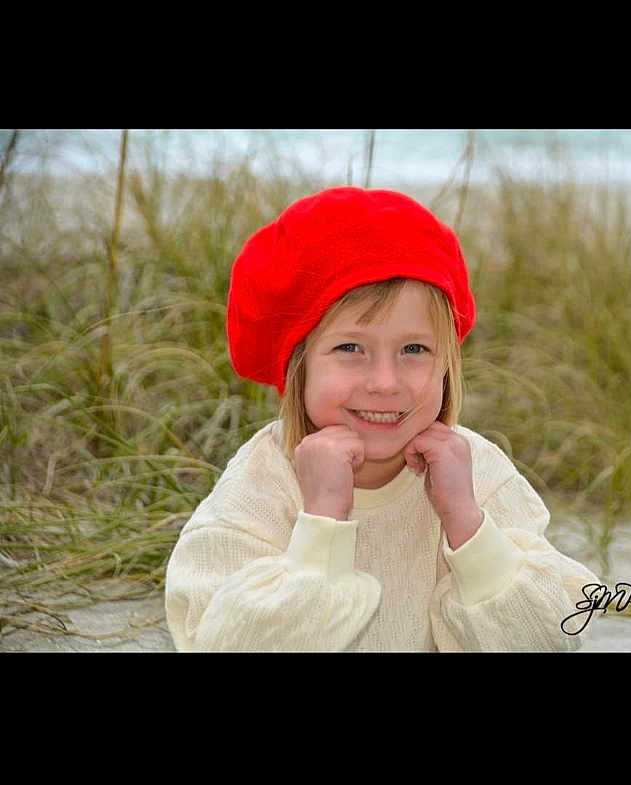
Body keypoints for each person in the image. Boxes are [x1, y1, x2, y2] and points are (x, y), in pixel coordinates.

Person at [164, 186, 599, 652]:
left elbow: (549, 635)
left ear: (447, 362)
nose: (385, 382)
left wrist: (466, 521)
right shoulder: (260, 485)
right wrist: (323, 523)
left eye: (415, 349)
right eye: (350, 348)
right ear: (298, 364)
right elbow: (224, 642)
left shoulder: (477, 472)